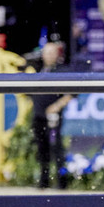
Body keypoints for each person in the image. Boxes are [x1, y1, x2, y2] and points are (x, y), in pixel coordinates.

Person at [30, 41, 74, 190]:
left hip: (53, 117)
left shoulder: (62, 72)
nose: (48, 55)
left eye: (51, 52)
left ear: (57, 54)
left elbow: (72, 93)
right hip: (38, 116)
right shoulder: (37, 70)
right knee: (42, 149)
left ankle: (62, 182)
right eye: (46, 52)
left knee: (57, 148)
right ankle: (44, 181)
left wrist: (56, 106)